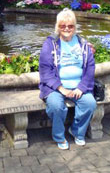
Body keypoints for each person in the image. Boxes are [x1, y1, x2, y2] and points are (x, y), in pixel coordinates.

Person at [39, 8, 96, 150]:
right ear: (57, 27)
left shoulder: (83, 44)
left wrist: (81, 88)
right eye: (62, 26)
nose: (66, 29)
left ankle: (76, 131)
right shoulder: (50, 43)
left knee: (89, 103)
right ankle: (59, 136)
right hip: (56, 87)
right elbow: (45, 71)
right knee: (56, 106)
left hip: (78, 86)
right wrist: (61, 88)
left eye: (70, 26)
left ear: (75, 27)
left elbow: (90, 67)